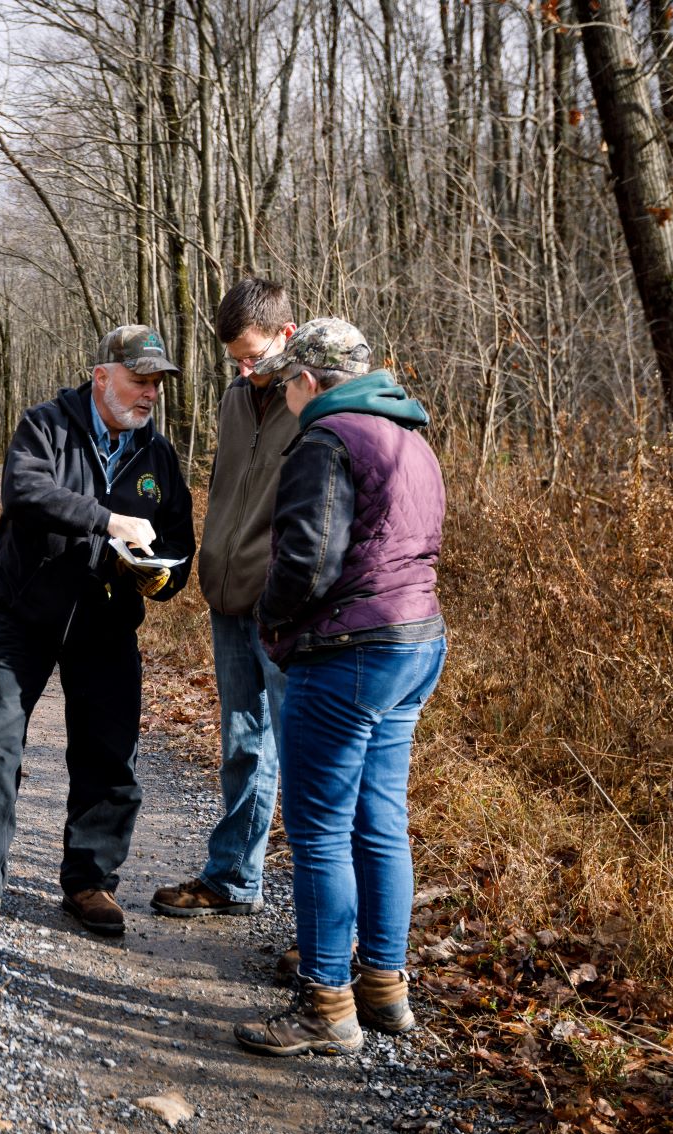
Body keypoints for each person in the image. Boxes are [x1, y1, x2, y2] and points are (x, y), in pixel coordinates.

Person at [0, 325, 195, 937]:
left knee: (109, 757)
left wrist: (163, 580)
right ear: (103, 377)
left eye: (157, 383)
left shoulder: (157, 456)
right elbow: (24, 490)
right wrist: (107, 521)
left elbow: (178, 541)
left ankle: (90, 882)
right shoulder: (46, 424)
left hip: (107, 626)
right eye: (139, 379)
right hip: (24, 616)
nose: (150, 393)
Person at [229, 318, 447, 1057]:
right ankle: (385, 989)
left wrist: (272, 626)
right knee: (379, 819)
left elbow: (306, 561)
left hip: (350, 649)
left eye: (288, 380)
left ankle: (326, 1004)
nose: (286, 393)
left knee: (320, 829)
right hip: (417, 642)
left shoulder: (325, 441)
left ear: (308, 382)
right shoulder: (410, 437)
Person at [149, 278, 297, 927]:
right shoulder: (235, 398)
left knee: (305, 756)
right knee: (241, 742)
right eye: (233, 357)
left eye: (253, 354)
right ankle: (234, 877)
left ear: (286, 336)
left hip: (284, 603)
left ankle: (329, 939)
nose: (242, 368)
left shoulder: (317, 400)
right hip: (227, 596)